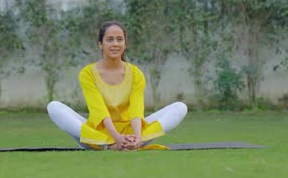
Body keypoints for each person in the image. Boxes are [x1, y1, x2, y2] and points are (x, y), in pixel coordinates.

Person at [47, 21, 187, 151]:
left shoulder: (135, 73)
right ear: (100, 44)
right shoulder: (87, 73)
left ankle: (132, 144)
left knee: (180, 107)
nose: (115, 44)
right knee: (53, 107)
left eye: (119, 39)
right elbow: (99, 110)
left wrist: (137, 137)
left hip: (130, 132)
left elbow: (136, 110)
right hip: (97, 135)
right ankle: (109, 145)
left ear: (125, 44)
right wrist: (114, 138)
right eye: (110, 39)